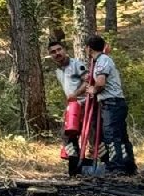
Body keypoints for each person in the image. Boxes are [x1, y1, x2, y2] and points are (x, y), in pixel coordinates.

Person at [86, 35, 136, 175]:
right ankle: (128, 166)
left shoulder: (102, 61)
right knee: (121, 136)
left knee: (111, 135)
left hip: (111, 103)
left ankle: (116, 167)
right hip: (116, 102)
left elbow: (101, 82)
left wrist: (93, 89)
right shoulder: (104, 59)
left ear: (89, 48)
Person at [48, 38, 89, 175]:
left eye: (59, 49)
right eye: (53, 52)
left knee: (92, 135)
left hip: (85, 105)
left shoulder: (77, 64)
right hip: (72, 107)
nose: (57, 53)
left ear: (65, 50)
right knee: (68, 136)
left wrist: (76, 94)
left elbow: (87, 81)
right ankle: (74, 167)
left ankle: (106, 165)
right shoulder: (58, 71)